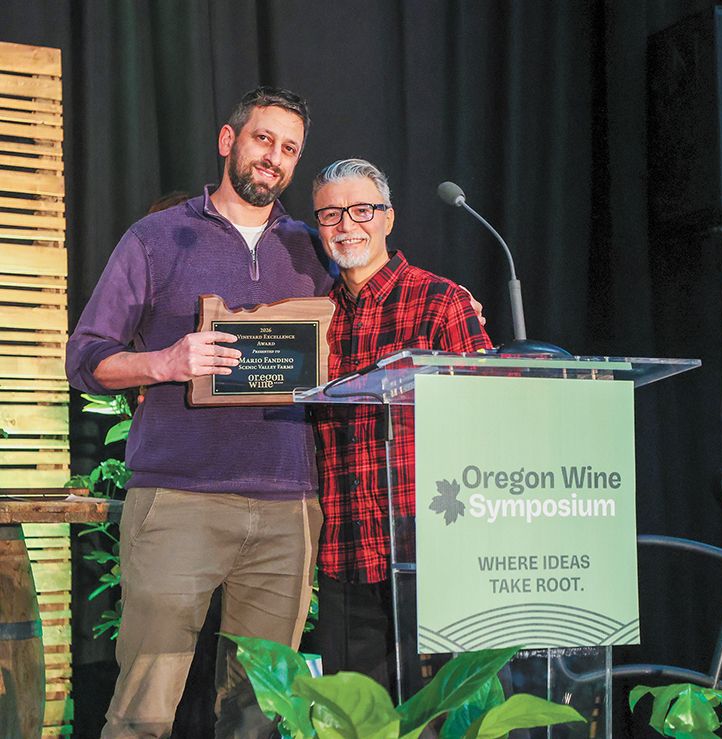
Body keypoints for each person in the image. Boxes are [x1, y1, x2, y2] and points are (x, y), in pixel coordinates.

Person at [66, 87, 334, 739]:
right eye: (262, 139)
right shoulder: (157, 238)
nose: (274, 157)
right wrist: (166, 362)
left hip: (287, 509)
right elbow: (85, 357)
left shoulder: (312, 251)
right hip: (179, 500)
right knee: (142, 712)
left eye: (289, 148)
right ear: (228, 140)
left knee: (260, 717)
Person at [309, 159, 492, 696]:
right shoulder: (312, 319)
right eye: (330, 214)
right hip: (346, 555)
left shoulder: (443, 301)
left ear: (388, 218)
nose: (347, 224)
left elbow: (488, 422)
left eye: (362, 209)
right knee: (360, 726)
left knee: (453, 722)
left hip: (437, 556)